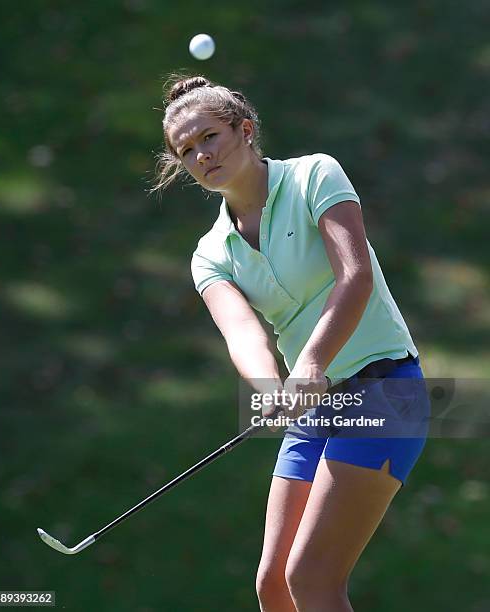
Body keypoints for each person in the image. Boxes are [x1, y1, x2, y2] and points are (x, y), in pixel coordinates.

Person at [152, 73, 429, 612]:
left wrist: (309, 363)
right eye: (186, 151)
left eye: (209, 137)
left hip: (384, 391)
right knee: (274, 586)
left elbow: (355, 276)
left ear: (246, 130)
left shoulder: (313, 175)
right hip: (315, 406)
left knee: (312, 579)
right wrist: (270, 388)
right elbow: (243, 334)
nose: (201, 155)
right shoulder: (210, 253)